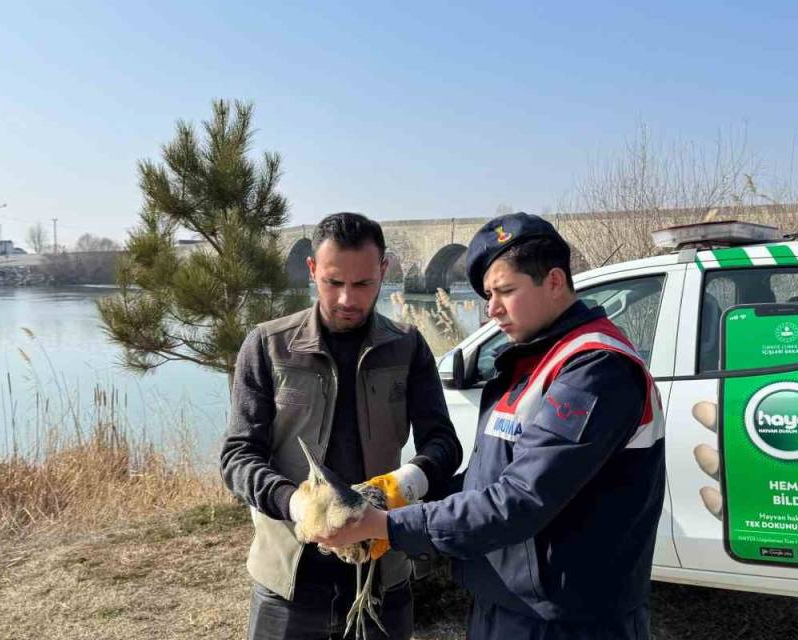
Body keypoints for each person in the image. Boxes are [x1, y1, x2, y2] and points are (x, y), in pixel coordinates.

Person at [314, 212, 665, 639]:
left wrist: (388, 527)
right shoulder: (531, 360)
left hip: (568, 619)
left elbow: (520, 500)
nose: (492, 309)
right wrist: (399, 497)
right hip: (508, 602)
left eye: (505, 292)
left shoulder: (595, 370)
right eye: (487, 295)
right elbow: (488, 481)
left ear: (554, 282)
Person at [220, 212, 463, 640]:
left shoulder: (408, 347)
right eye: (334, 283)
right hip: (287, 584)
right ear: (313, 269)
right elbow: (237, 457)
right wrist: (296, 505)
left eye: (364, 284)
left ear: (383, 271)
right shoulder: (267, 344)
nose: (348, 299)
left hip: (382, 574)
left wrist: (402, 485)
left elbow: (444, 443)